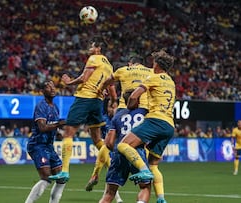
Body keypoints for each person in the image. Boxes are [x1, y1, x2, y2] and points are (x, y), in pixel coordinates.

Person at [49, 37, 116, 182]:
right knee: (97, 139)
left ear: (98, 48)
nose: (89, 48)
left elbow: (84, 78)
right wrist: (113, 101)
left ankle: (65, 171)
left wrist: (69, 82)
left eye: (92, 46)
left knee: (68, 133)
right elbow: (111, 87)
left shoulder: (93, 58)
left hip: (84, 98)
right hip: (98, 102)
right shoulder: (109, 66)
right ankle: (113, 169)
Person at [117, 49, 176, 203]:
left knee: (123, 145)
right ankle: (161, 198)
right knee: (154, 164)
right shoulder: (171, 81)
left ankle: (143, 171)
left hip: (155, 120)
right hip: (169, 126)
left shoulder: (153, 78)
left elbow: (134, 95)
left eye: (153, 61)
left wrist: (130, 107)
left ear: (157, 64)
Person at [85, 55, 152, 191]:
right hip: (144, 110)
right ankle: (146, 172)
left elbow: (108, 80)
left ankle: (96, 174)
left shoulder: (123, 70)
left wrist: (102, 90)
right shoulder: (151, 72)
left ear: (130, 63)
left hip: (124, 110)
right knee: (140, 144)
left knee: (110, 143)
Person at [99, 89, 151, 203]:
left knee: (110, 193)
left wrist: (117, 152)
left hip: (119, 152)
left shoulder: (117, 116)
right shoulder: (145, 112)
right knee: (145, 187)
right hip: (137, 152)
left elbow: (109, 143)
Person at [25, 81, 67, 203]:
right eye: (49, 87)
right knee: (47, 177)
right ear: (43, 91)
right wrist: (59, 124)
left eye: (53, 86)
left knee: (62, 178)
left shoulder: (55, 108)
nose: (52, 89)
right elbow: (42, 127)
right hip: (37, 145)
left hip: (49, 146)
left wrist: (59, 133)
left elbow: (52, 127)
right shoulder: (41, 106)